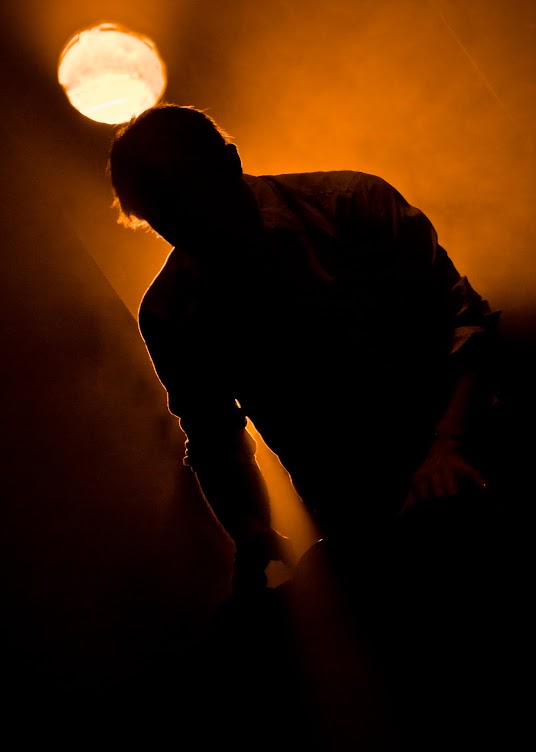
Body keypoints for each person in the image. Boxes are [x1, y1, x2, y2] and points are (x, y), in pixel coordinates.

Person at [108, 102, 501, 597]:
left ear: (230, 163)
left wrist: (449, 444)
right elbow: (213, 438)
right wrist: (252, 533)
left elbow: (465, 323)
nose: (196, 236)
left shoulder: (350, 205)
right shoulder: (169, 312)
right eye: (168, 223)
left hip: (476, 457)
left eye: (196, 206)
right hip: (358, 518)